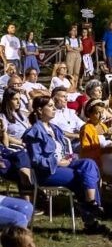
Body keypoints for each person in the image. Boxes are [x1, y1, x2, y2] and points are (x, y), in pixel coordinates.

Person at [22, 95, 107, 234]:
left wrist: (70, 158)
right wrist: (57, 162)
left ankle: (91, 204)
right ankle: (91, 219)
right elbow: (36, 160)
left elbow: (65, 152)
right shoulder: (34, 132)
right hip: (47, 172)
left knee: (89, 164)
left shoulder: (55, 129)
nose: (54, 108)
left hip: (64, 166)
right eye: (50, 106)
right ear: (39, 110)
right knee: (81, 177)